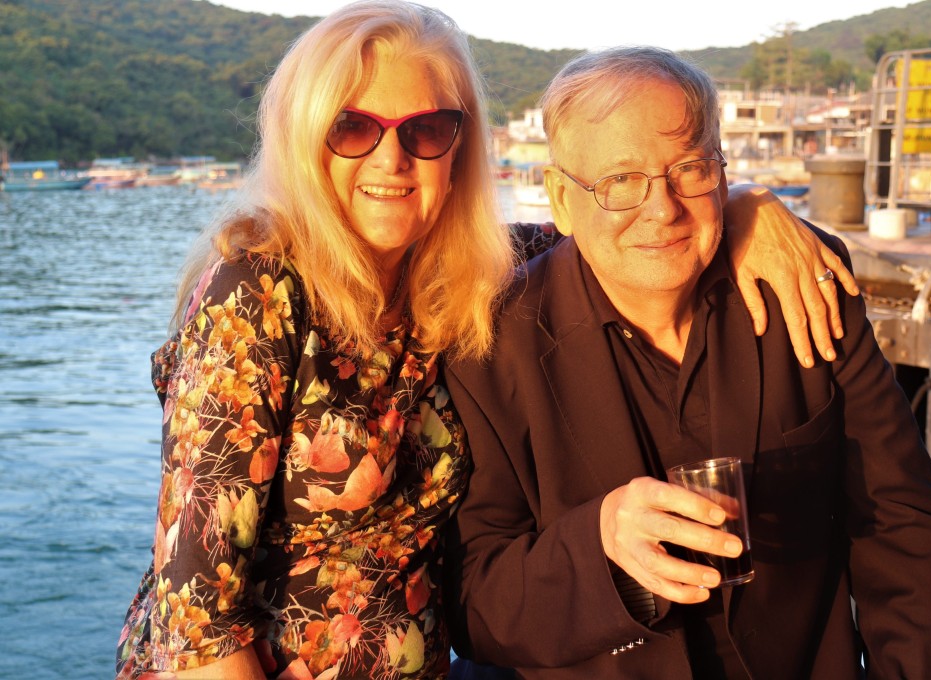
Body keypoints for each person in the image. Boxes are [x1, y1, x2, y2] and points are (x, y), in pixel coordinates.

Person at [114, 3, 857, 678]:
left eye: (426, 130)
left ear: (461, 145)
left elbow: (624, 224)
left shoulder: (473, 272)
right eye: (353, 127)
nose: (390, 158)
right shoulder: (257, 290)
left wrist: (742, 206)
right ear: (307, 138)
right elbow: (198, 622)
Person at [443, 47, 931, 680]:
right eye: (620, 182)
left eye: (688, 168)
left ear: (722, 169)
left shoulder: (802, 285)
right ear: (560, 197)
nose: (661, 209)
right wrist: (598, 547)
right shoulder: (488, 346)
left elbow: (903, 526)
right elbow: (470, 602)